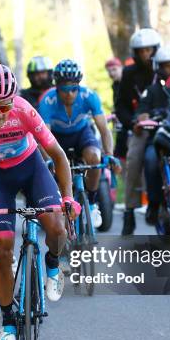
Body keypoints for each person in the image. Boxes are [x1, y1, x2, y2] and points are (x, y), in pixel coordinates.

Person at [0, 63, 80, 340]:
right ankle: (9, 322)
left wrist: (68, 197)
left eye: (4, 107)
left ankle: (51, 262)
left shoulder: (24, 110)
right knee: (1, 250)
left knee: (57, 227)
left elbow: (58, 156)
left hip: (31, 169)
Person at [38, 59, 117, 229]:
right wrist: (48, 159)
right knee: (55, 169)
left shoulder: (89, 96)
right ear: (57, 87)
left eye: (74, 89)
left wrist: (109, 153)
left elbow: (104, 129)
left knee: (95, 158)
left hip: (82, 134)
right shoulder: (47, 101)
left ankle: (93, 203)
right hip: (56, 137)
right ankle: (61, 206)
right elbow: (43, 136)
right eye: (65, 89)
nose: (70, 94)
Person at [130, 45, 170, 230]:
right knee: (150, 159)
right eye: (167, 66)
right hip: (159, 139)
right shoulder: (152, 90)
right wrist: (143, 117)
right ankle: (154, 203)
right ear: (159, 68)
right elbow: (140, 111)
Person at [117, 28, 161, 235]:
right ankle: (129, 212)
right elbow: (121, 106)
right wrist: (132, 123)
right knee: (133, 161)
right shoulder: (129, 73)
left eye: (149, 50)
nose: (145, 55)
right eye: (141, 51)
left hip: (168, 124)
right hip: (141, 127)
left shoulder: (166, 68)